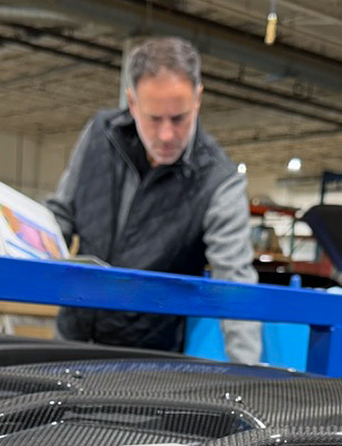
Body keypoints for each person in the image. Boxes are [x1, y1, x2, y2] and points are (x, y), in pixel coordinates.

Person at [47, 36, 262, 364]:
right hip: (70, 340)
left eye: (179, 119)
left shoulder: (219, 182)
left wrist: (248, 373)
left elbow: (234, 282)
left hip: (146, 362)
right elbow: (60, 215)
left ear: (198, 99)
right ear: (132, 103)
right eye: (153, 118)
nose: (166, 135)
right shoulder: (100, 135)